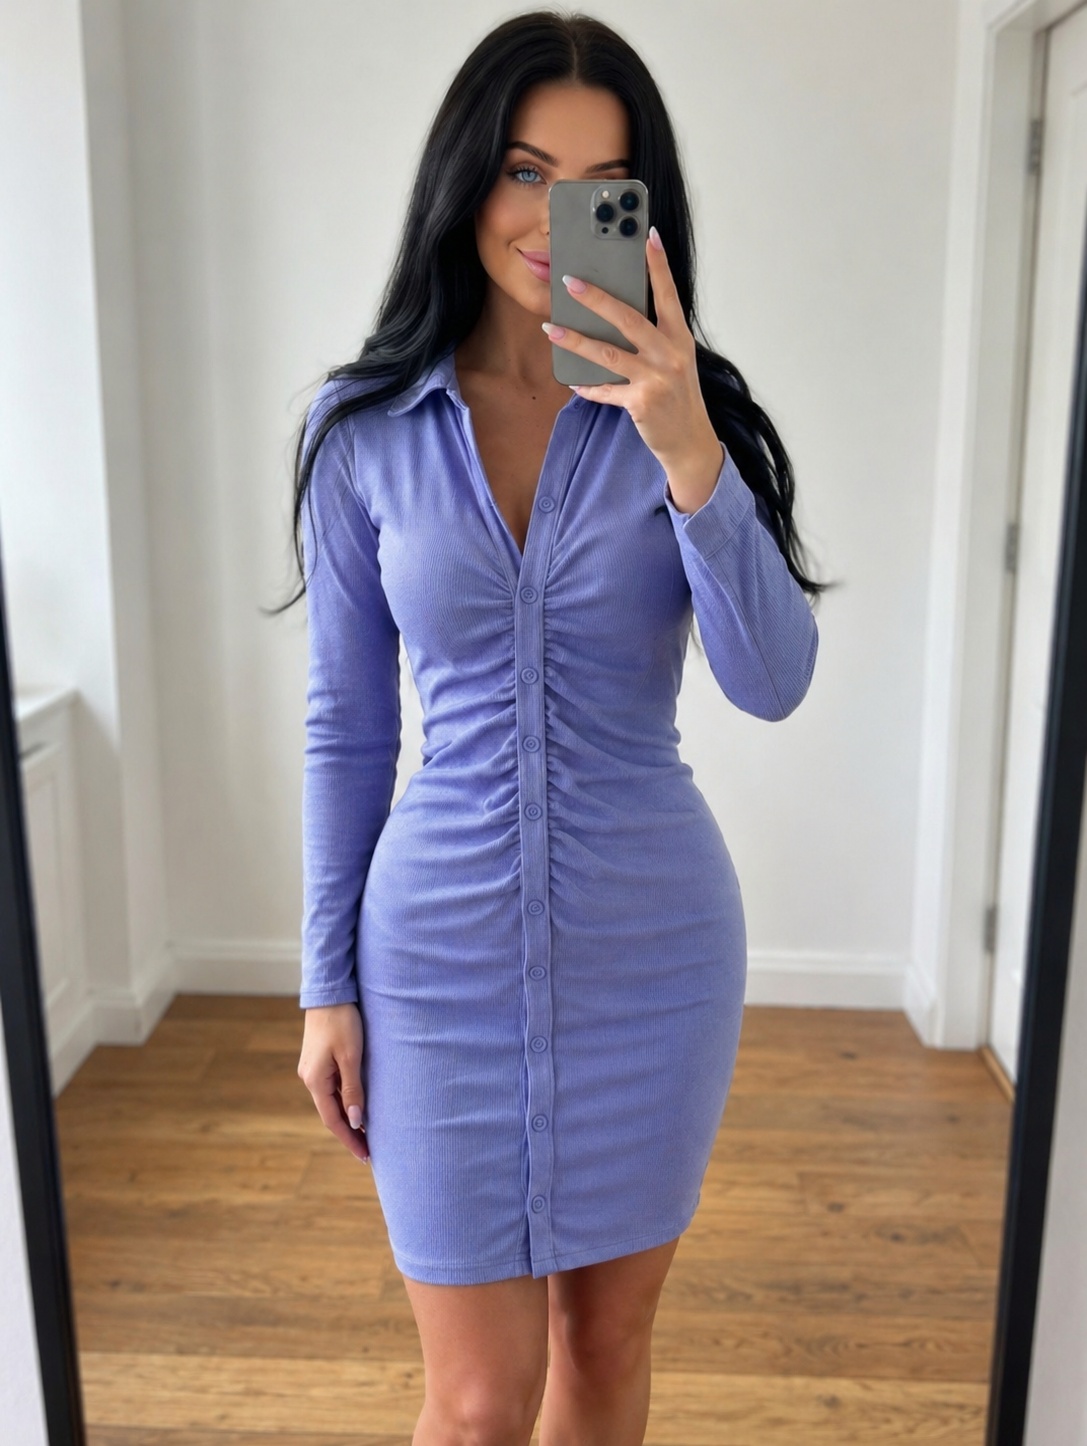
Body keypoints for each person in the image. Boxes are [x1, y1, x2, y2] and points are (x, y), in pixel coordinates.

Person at [281, 11, 824, 1444]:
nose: (548, 216)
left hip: (656, 956)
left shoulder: (689, 416)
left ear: (642, 211)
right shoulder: (364, 431)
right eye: (524, 171)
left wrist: (687, 445)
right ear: (465, 180)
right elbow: (347, 726)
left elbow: (773, 678)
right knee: (474, 1402)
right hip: (435, 964)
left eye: (598, 185)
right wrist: (324, 984)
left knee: (605, 1345)